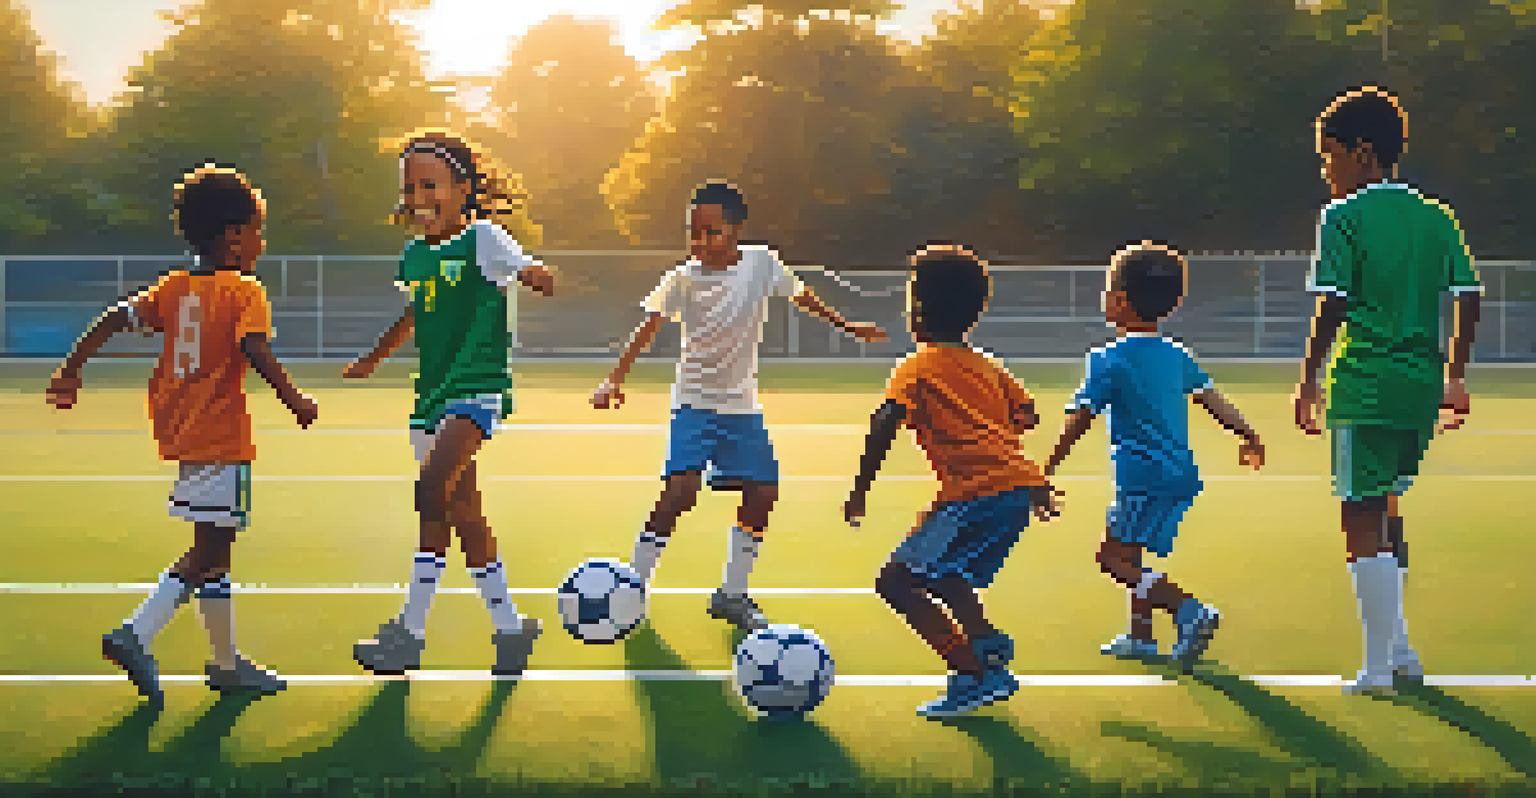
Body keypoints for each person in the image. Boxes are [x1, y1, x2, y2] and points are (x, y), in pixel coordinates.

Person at [46, 164, 316, 707]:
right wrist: (295, 399)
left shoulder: (175, 289)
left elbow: (115, 319)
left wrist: (71, 367)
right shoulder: (244, 291)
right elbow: (254, 349)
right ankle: (136, 634)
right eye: (257, 231)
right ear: (234, 237)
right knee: (210, 547)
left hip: (181, 428)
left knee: (215, 550)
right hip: (221, 434)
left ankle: (225, 663)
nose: (262, 242)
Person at [593, 180, 886, 631]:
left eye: (711, 232)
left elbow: (801, 294)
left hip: (741, 409)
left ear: (736, 230)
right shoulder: (683, 277)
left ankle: (732, 594)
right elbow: (648, 327)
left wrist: (846, 325)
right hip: (693, 402)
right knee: (680, 491)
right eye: (694, 232)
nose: (700, 242)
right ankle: (633, 588)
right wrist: (615, 379)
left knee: (762, 493)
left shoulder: (762, 264)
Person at [1293, 86, 1481, 695]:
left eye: (1330, 158)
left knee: (1360, 520)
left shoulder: (1342, 218)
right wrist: (1455, 375)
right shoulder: (1436, 216)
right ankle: (1402, 653)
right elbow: (1468, 294)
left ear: (1362, 153)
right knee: (1388, 510)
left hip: (1365, 386)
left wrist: (1308, 380)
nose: (1327, 173)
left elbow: (1334, 302)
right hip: (1420, 389)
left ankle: (1377, 668)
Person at [347, 132, 555, 677]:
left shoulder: (484, 238)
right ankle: (510, 630)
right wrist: (373, 358)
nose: (417, 197)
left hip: (476, 388)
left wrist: (534, 275)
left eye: (429, 185)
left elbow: (525, 264)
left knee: (431, 490)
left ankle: (408, 633)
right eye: (409, 187)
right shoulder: (415, 256)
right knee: (464, 515)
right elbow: (415, 314)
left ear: (463, 189)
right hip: (430, 398)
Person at [843, 243, 1060, 717]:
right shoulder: (987, 365)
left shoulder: (916, 366)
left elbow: (885, 421)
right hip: (1016, 488)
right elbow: (1024, 417)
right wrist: (1033, 482)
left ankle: (973, 674)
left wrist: (860, 490)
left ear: (916, 310)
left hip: (975, 493)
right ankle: (985, 643)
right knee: (949, 574)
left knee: (897, 584)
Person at [1045, 242, 1263, 666]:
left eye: (1108, 290)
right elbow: (1214, 401)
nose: (1105, 298)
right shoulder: (1177, 355)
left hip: (1142, 477)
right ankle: (1139, 636)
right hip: (1179, 474)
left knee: (1112, 558)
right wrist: (1248, 434)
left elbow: (1080, 417)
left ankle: (1188, 609)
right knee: (1132, 550)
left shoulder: (1107, 359)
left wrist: (1047, 467)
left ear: (1122, 301)